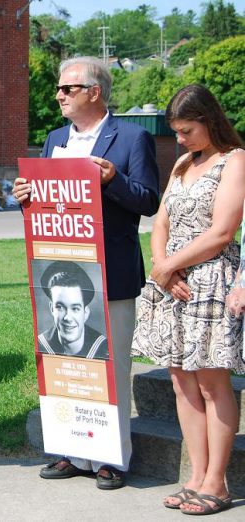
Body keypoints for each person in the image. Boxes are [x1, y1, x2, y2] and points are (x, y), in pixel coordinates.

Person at [14, 56, 160, 489]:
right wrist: (26, 194)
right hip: (59, 266)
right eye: (59, 89)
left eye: (67, 89)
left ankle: (110, 459)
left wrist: (113, 180)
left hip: (109, 272)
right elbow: (46, 199)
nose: (58, 95)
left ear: (94, 93)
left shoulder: (132, 137)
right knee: (65, 365)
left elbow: (149, 200)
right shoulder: (56, 137)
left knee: (110, 367)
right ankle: (70, 452)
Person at [132, 84, 245, 515]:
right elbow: (161, 220)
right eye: (176, 131)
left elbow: (222, 232)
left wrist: (168, 267)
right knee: (181, 380)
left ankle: (217, 482)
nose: (180, 139)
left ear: (210, 121)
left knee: (213, 382)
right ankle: (195, 475)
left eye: (187, 130)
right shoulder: (182, 163)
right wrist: (163, 267)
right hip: (172, 283)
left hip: (210, 280)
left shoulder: (235, 162)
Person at [37, 261, 108, 360]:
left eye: (75, 308)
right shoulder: (42, 345)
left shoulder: (103, 349)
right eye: (60, 307)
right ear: (52, 309)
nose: (67, 318)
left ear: (85, 313)